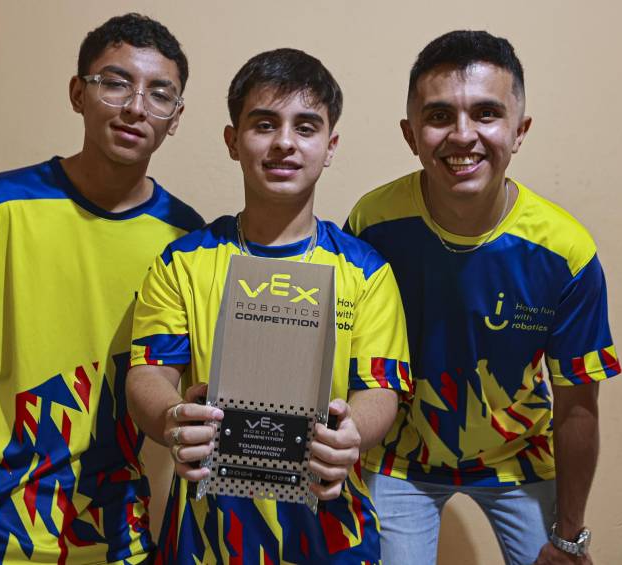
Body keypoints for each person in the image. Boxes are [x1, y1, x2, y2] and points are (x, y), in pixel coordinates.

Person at [0, 13, 203, 565]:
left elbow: (174, 382)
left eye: (160, 94)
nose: (136, 107)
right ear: (77, 93)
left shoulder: (189, 243)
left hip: (107, 511)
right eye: (115, 83)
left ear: (176, 117)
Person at [345, 30, 621, 565]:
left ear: (520, 131)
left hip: (520, 457)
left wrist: (570, 536)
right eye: (440, 116)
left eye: (487, 114)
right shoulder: (371, 225)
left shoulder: (566, 251)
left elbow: (577, 405)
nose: (463, 135)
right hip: (400, 458)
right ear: (411, 134)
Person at [126, 48, 411, 564]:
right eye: (264, 124)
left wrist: (351, 435)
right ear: (233, 141)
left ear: (330, 146)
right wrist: (172, 418)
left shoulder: (367, 271)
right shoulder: (184, 262)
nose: (284, 143)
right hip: (205, 538)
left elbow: (381, 392)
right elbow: (148, 373)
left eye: (306, 127)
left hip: (332, 536)